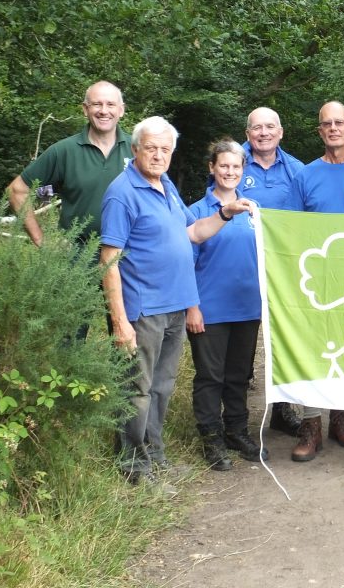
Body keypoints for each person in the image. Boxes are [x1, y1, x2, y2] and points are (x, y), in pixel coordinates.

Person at [100, 117, 254, 485]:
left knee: (161, 387)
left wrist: (224, 214)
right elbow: (108, 258)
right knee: (137, 389)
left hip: (172, 306)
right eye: (150, 147)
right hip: (143, 309)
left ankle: (155, 456)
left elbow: (193, 232)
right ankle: (135, 468)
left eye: (165, 149)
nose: (158, 155)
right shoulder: (122, 192)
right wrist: (120, 321)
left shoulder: (165, 185)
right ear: (135, 149)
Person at [287, 101, 344, 462]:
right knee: (314, 352)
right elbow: (290, 231)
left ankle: (341, 418)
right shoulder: (304, 176)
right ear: (320, 131)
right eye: (327, 124)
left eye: (340, 122)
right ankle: (311, 425)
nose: (334, 128)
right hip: (316, 282)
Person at [186, 139, 268, 472]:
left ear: (243, 170)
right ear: (212, 168)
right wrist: (192, 307)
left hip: (247, 307)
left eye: (236, 166)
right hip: (210, 310)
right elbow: (185, 263)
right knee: (210, 377)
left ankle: (236, 430)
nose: (230, 172)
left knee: (239, 375)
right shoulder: (196, 211)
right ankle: (212, 438)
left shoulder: (254, 210)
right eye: (224, 166)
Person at [240, 107, 305, 437]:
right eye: (256, 128)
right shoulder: (233, 163)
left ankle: (283, 409)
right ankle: (238, 417)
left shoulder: (297, 170)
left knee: (282, 338)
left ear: (281, 132)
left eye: (270, 127)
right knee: (243, 337)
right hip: (239, 264)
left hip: (283, 269)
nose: (263, 133)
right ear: (248, 133)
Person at [7, 80, 131, 246]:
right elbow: (17, 191)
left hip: (129, 256)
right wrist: (40, 240)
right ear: (85, 109)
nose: (104, 111)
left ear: (121, 110)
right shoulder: (64, 151)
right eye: (96, 104)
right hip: (77, 259)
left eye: (110, 104)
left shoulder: (138, 149)